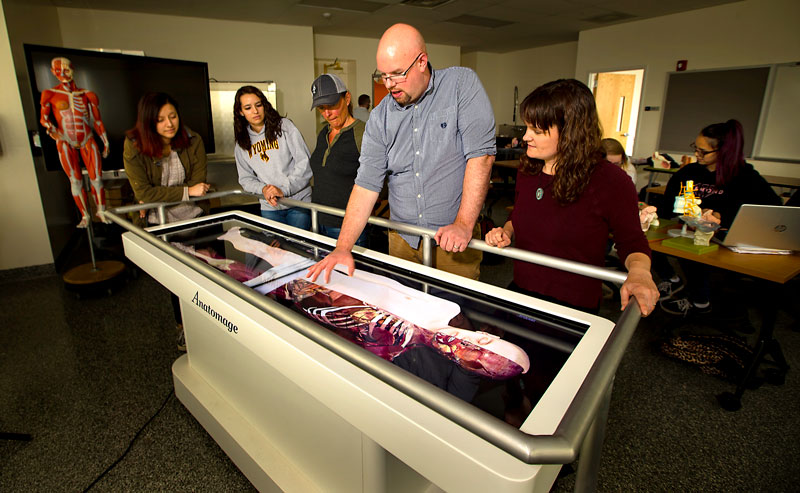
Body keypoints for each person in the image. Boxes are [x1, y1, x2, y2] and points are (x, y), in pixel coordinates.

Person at [307, 23, 496, 283]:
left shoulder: (460, 85)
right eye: (383, 76)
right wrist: (343, 247)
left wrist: (463, 223)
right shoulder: (380, 116)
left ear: (421, 61)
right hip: (402, 240)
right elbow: (366, 184)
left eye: (396, 74)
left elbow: (481, 155)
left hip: (453, 241)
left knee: (454, 316)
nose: (389, 85)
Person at [484, 79, 659, 316]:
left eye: (537, 130)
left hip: (572, 307)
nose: (526, 137)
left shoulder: (610, 181)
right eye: (527, 128)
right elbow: (518, 216)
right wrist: (506, 231)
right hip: (523, 291)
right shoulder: (529, 170)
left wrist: (639, 273)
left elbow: (632, 243)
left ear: (569, 132)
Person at [654, 119, 782, 316]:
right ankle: (673, 280)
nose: (697, 154)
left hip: (723, 240)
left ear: (723, 152)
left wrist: (723, 215)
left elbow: (772, 208)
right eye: (695, 148)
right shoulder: (690, 172)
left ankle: (700, 301)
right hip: (688, 232)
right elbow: (669, 205)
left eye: (703, 151)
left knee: (699, 255)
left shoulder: (745, 177)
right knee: (647, 242)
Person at [123, 92, 211, 350]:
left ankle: (208, 324)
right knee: (177, 279)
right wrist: (186, 191)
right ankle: (183, 327)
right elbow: (144, 193)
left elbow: (200, 185)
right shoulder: (134, 144)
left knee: (204, 273)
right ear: (149, 122)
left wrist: (187, 192)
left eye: (173, 116)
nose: (169, 124)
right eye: (160, 119)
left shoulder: (193, 140)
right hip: (160, 223)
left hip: (194, 219)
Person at [40, 57, 111, 228]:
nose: (62, 74)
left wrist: (105, 142)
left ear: (73, 69)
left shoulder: (87, 94)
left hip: (87, 139)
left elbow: (97, 121)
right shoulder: (49, 94)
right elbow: (43, 118)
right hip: (65, 140)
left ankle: (101, 211)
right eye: (58, 71)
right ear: (52, 72)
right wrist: (50, 128)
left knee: (97, 179)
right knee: (75, 181)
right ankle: (85, 215)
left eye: (66, 69)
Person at [233, 85, 312, 229]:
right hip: (270, 207)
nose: (255, 111)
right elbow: (245, 179)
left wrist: (283, 190)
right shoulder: (241, 142)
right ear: (240, 112)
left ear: (264, 105)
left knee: (299, 249)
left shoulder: (284, 126)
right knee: (275, 250)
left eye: (258, 105)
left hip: (298, 203)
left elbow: (304, 163)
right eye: (248, 107)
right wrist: (264, 190)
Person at [309, 74, 369, 246]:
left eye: (332, 105)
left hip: (347, 226)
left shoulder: (362, 133)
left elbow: (378, 179)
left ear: (347, 98)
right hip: (318, 221)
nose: (327, 113)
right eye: (321, 108)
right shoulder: (323, 133)